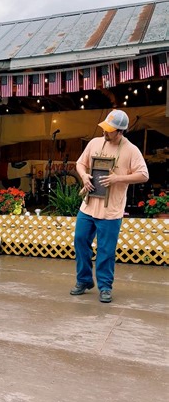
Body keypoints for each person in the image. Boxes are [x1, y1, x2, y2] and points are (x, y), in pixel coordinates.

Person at [70, 109, 149, 303]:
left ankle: (105, 287)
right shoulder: (95, 143)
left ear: (120, 131)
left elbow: (144, 175)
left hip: (111, 211)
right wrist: (84, 176)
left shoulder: (131, 150)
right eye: (105, 127)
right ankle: (84, 280)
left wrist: (117, 178)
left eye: (110, 129)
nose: (105, 131)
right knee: (80, 241)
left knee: (106, 251)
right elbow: (80, 164)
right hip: (88, 207)